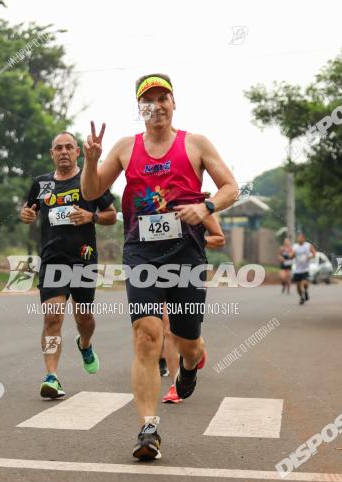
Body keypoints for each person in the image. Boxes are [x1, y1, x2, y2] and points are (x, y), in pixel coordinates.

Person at [81, 73, 238, 460]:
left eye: (163, 97)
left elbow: (231, 187)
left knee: (188, 339)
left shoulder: (195, 144)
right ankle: (148, 427)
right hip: (143, 254)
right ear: (140, 109)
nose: (157, 105)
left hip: (186, 255)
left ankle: (189, 364)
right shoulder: (124, 148)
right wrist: (90, 160)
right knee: (147, 335)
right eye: (148, 100)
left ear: (173, 102)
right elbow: (89, 192)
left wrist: (206, 207)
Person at [20, 131, 118, 399]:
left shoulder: (89, 180)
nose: (63, 152)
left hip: (83, 259)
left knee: (83, 318)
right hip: (53, 259)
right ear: (52, 154)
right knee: (52, 317)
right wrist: (26, 214)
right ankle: (51, 376)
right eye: (58, 148)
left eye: (69, 147)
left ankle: (84, 344)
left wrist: (91, 216)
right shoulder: (42, 184)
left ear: (77, 152)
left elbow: (112, 215)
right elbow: (29, 210)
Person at [162, 212, 225, 404]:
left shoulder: (197, 206)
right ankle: (175, 383)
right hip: (156, 267)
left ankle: (195, 347)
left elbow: (219, 238)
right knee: (168, 328)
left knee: (186, 331)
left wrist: (196, 240)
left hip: (190, 270)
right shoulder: (151, 204)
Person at [292, 232, 317, 304]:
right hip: (297, 270)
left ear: (303, 239)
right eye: (298, 238)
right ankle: (301, 297)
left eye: (300, 238)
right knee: (298, 287)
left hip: (305, 269)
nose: (299, 239)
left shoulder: (308, 245)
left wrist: (310, 257)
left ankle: (305, 291)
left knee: (305, 283)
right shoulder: (295, 246)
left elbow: (314, 253)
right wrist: (289, 256)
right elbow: (292, 255)